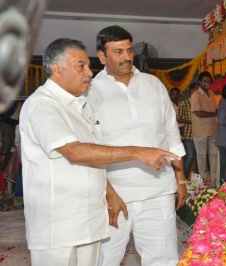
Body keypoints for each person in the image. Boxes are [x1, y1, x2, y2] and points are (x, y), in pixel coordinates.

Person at [19, 38, 181, 266]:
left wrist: (110, 192)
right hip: (59, 224)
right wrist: (137, 152)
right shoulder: (43, 105)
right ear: (57, 69)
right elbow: (74, 152)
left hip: (89, 219)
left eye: (88, 65)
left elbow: (92, 156)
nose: (89, 72)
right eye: (81, 66)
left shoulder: (78, 107)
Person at [86, 25, 186, 266]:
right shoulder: (89, 92)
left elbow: (171, 135)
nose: (127, 57)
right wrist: (107, 193)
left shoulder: (153, 85)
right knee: (104, 260)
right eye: (118, 52)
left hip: (158, 191)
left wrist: (180, 180)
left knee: (164, 259)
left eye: (129, 50)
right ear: (102, 56)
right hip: (113, 195)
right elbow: (88, 147)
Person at [191, 71, 218, 187]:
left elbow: (215, 111)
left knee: (214, 156)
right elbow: (198, 113)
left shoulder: (211, 94)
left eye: (209, 82)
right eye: (205, 81)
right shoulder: (195, 95)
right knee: (201, 158)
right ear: (200, 82)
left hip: (212, 130)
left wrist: (214, 114)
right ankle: (202, 186)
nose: (207, 83)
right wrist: (213, 114)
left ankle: (214, 183)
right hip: (201, 132)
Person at [177, 83, 199, 178]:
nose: (199, 92)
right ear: (191, 91)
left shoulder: (200, 103)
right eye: (197, 90)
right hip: (189, 134)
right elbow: (178, 118)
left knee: (199, 157)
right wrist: (191, 121)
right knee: (190, 157)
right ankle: (184, 178)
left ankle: (199, 178)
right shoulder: (185, 103)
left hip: (201, 134)